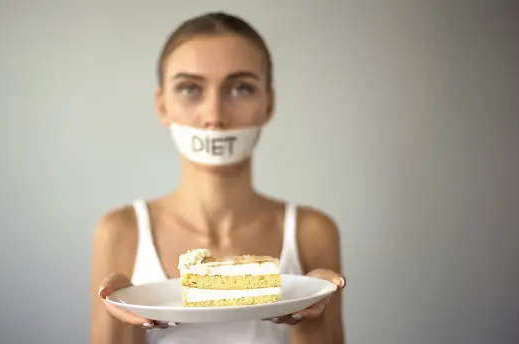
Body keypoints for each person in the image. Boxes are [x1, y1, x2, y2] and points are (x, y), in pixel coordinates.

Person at [89, 11, 346, 344]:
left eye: (241, 88)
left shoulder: (312, 231)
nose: (215, 116)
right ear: (162, 105)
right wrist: (120, 316)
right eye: (189, 89)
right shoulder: (120, 231)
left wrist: (312, 316)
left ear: (269, 103)